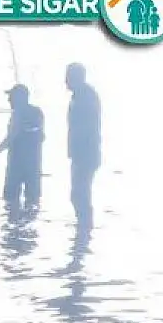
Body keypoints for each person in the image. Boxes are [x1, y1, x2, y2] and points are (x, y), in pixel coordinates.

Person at [0, 84, 45, 209]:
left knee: (10, 202)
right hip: (34, 165)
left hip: (16, 166)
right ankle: (28, 226)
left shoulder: (19, 114)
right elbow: (41, 136)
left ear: (20, 97)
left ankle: (14, 226)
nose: (9, 100)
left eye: (11, 96)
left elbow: (10, 138)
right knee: (33, 202)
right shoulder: (37, 113)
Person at [65, 63, 101, 228]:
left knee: (79, 194)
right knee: (79, 194)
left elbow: (87, 127)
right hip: (81, 153)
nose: (65, 80)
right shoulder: (79, 95)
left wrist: (80, 151)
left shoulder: (86, 96)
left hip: (86, 153)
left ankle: (85, 226)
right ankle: (83, 228)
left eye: (68, 76)